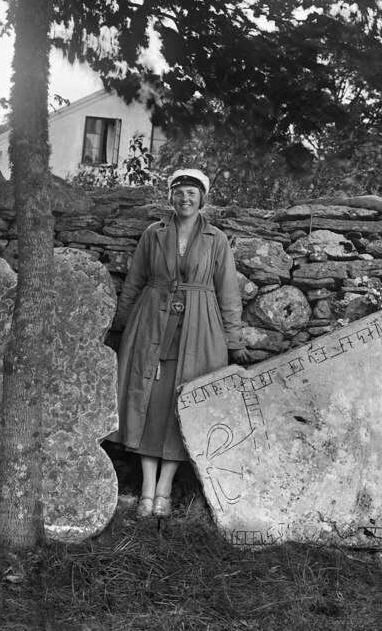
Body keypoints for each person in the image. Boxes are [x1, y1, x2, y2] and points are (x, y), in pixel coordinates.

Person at [108, 168, 252, 518]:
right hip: (151, 321)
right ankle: (145, 489)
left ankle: (164, 489)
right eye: (179, 192)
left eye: (192, 193)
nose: (185, 199)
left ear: (203, 199)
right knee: (148, 399)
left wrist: (234, 341)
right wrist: (120, 327)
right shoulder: (153, 233)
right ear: (170, 197)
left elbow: (228, 293)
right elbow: (135, 281)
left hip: (198, 327)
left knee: (180, 401)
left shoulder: (216, 239)